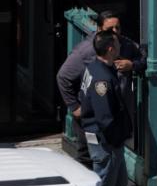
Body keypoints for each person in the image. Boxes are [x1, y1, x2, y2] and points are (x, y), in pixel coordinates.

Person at [57, 10, 146, 168]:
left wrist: (132, 65)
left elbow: (145, 58)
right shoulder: (85, 51)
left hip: (114, 116)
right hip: (91, 117)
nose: (115, 32)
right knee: (88, 158)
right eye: (110, 29)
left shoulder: (125, 44)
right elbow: (63, 77)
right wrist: (74, 107)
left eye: (118, 28)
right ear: (99, 29)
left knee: (111, 161)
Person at [79, 30, 139, 186]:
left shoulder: (97, 67)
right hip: (106, 142)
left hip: (111, 141)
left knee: (117, 184)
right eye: (117, 43)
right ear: (111, 49)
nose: (120, 45)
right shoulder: (101, 78)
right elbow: (105, 117)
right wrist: (115, 140)